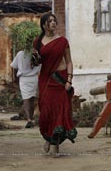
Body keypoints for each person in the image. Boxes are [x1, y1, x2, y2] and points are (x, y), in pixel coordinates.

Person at [33, 13, 77, 157]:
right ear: (43, 25)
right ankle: (48, 137)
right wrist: (34, 59)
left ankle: (54, 145)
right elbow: (35, 63)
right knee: (46, 113)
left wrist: (69, 79)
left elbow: (69, 61)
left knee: (59, 112)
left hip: (61, 80)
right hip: (45, 80)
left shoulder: (63, 41)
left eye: (54, 21)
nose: (53, 23)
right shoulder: (38, 42)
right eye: (49, 21)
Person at [11, 38, 41, 128]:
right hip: (34, 78)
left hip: (24, 79)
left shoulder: (20, 54)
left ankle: (29, 119)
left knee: (26, 99)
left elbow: (14, 66)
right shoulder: (37, 54)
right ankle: (30, 118)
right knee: (32, 99)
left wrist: (14, 78)